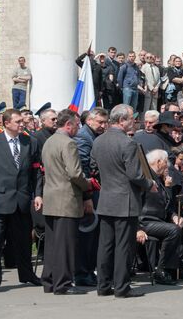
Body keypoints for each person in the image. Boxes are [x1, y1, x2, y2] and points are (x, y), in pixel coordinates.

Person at [92, 104, 157, 298]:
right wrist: (149, 183)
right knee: (123, 246)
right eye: (131, 118)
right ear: (121, 121)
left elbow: (94, 166)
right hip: (125, 201)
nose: (134, 122)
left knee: (105, 245)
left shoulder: (99, 141)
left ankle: (103, 286)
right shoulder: (127, 143)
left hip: (106, 200)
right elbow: (135, 174)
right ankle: (121, 287)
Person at [0, 108, 43, 294]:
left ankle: (27, 274)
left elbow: (36, 170)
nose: (21, 124)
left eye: (22, 121)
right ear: (6, 123)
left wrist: (37, 194)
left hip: (21, 199)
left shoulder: (30, 141)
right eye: (17, 121)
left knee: (23, 241)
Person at [40, 109, 94, 295]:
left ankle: (49, 280)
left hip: (51, 197)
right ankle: (62, 283)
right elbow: (74, 173)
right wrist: (87, 184)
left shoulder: (49, 141)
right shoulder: (69, 143)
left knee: (53, 244)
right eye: (77, 124)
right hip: (67, 199)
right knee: (66, 245)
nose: (79, 127)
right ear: (68, 125)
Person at [138, 150, 183, 285]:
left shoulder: (161, 179)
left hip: (160, 220)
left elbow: (168, 205)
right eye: (166, 162)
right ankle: (162, 270)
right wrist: (137, 228)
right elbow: (134, 204)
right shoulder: (145, 178)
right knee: (173, 230)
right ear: (158, 162)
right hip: (146, 221)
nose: (167, 166)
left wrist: (175, 216)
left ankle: (178, 265)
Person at [72, 107, 108, 287]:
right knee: (86, 234)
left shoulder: (93, 136)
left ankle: (88, 270)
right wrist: (87, 196)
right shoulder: (83, 138)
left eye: (104, 122)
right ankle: (81, 273)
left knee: (93, 235)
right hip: (87, 194)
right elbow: (83, 169)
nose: (103, 126)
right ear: (89, 120)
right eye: (100, 122)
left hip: (95, 191)